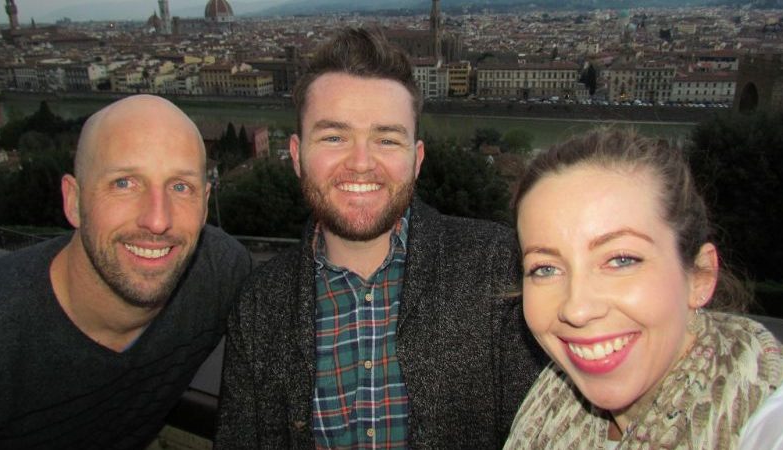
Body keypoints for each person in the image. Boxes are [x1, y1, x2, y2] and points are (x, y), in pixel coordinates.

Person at [215, 28, 545, 450]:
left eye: (387, 139)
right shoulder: (259, 304)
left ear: (417, 159)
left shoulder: (496, 268)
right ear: (296, 156)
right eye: (334, 137)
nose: (361, 163)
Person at [504, 128, 783, 449]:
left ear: (700, 277)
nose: (577, 308)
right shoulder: (545, 412)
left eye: (621, 260)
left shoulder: (776, 422)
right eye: (545, 268)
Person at [0, 95, 252, 449]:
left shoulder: (219, 272)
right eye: (124, 183)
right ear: (74, 201)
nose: (157, 220)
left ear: (206, 205)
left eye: (181, 187)